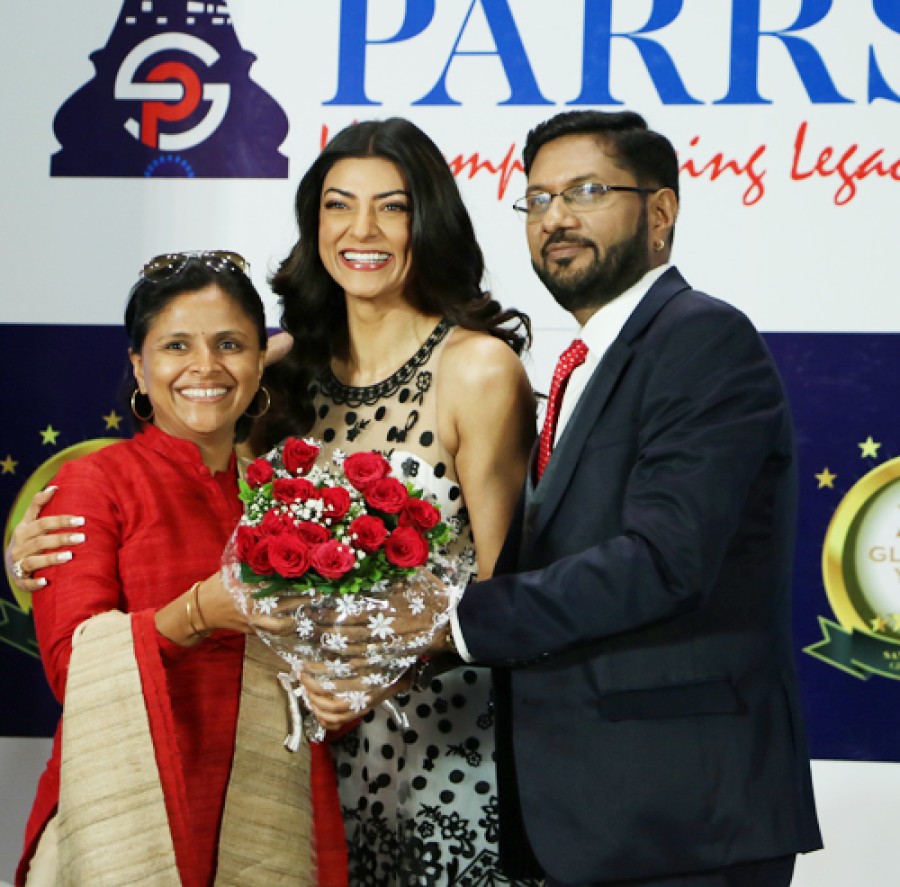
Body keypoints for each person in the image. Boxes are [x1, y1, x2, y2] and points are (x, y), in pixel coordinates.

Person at [327, 109, 824, 885]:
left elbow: (663, 561)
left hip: (684, 821)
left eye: (587, 191)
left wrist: (450, 620)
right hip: (588, 817)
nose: (555, 217)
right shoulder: (581, 362)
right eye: (538, 198)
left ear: (660, 212)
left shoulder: (702, 339)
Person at [258, 117, 537, 885]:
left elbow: (509, 595)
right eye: (339, 205)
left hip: (445, 752)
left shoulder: (476, 369)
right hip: (296, 758)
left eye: (392, 207)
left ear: (429, 220)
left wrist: (387, 670)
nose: (362, 230)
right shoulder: (281, 375)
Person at [12, 252, 320, 886]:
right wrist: (198, 613)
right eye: (177, 345)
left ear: (259, 360)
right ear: (139, 366)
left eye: (230, 344)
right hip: (124, 815)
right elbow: (73, 667)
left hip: (264, 818)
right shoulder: (95, 485)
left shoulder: (280, 500)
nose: (205, 366)